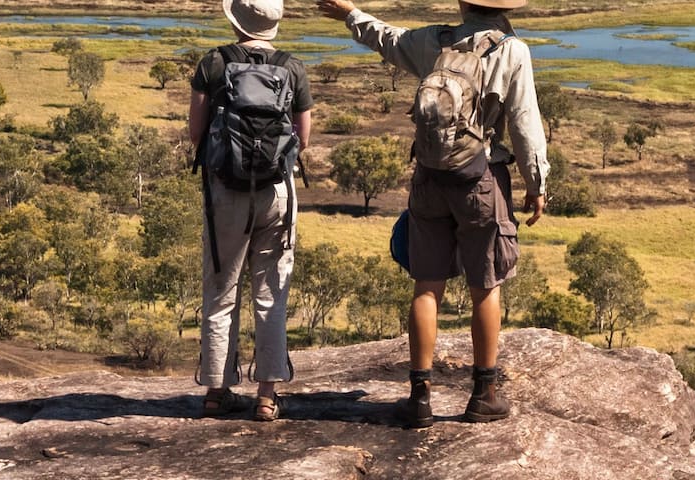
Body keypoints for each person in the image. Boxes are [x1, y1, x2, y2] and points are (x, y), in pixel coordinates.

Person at [316, 0, 551, 428]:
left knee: (427, 286)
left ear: (463, 4)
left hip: (428, 177)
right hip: (481, 179)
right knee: (485, 285)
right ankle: (484, 394)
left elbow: (386, 39)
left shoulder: (434, 41)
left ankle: (419, 399)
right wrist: (537, 186)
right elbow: (524, 124)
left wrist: (350, 13)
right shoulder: (512, 51)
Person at [189, 0, 315, 421]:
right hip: (276, 192)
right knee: (271, 295)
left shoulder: (213, 62)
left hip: (225, 190)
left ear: (235, 20)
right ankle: (267, 395)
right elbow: (304, 139)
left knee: (220, 293)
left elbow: (196, 133)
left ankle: (215, 391)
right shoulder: (292, 68)